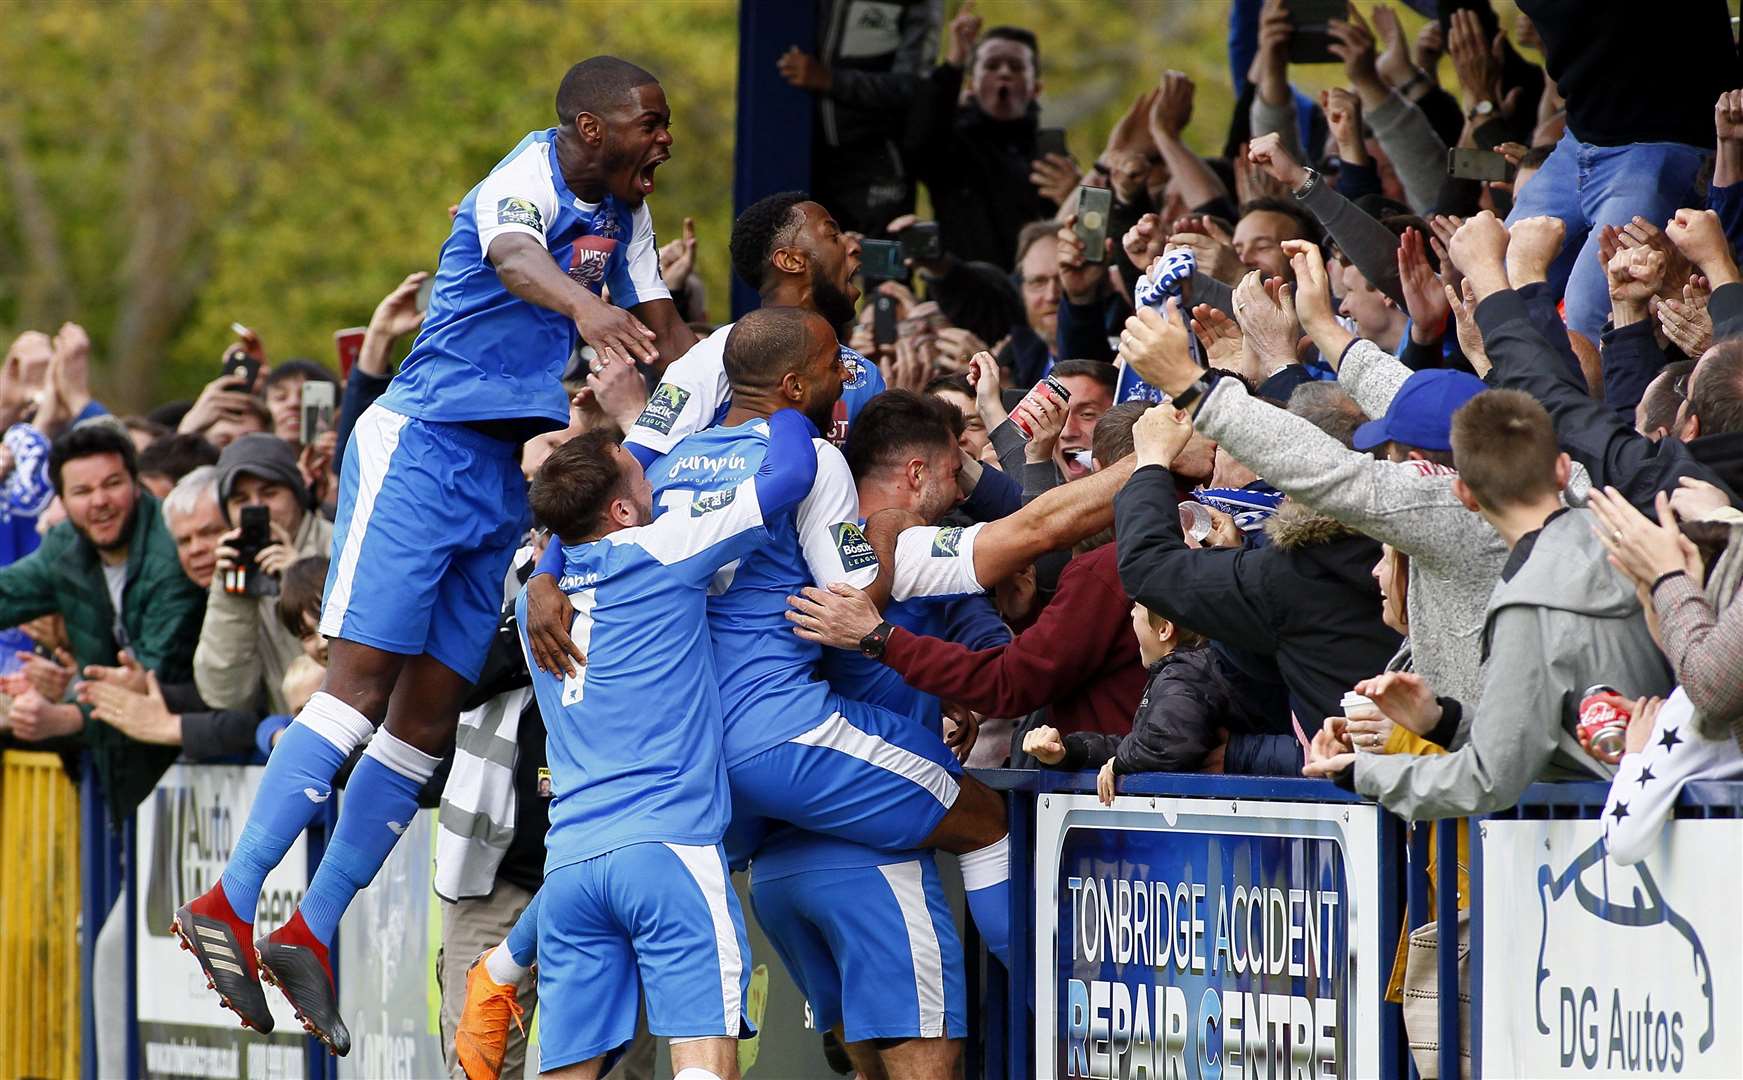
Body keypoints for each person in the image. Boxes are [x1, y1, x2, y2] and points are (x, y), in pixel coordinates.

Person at [175, 56, 693, 1050]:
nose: (664, 142)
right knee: (357, 689)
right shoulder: (524, 179)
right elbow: (512, 258)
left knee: (424, 723)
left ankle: (310, 931)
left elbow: (665, 337)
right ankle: (227, 905)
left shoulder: (623, 223)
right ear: (589, 129)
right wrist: (588, 314)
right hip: (420, 450)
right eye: (651, 124)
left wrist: (738, 379)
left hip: (498, 479)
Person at [505, 403, 818, 1079]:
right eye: (636, 472)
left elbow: (561, 540)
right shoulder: (665, 547)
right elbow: (791, 471)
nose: (650, 473)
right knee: (703, 1058)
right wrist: (790, 403)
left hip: (569, 864)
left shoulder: (533, 597)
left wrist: (548, 566)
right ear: (619, 512)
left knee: (567, 1070)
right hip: (667, 847)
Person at [1306, 390, 1673, 817]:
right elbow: (1555, 737)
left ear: (1464, 494)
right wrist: (1443, 720)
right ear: (1561, 470)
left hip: (1617, 846)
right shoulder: (1638, 542)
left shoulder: (1529, 604)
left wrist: (1362, 773)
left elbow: (1487, 780)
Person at [0, 420, 207, 1080]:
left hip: (198, 775)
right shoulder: (65, 547)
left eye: (113, 483)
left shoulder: (171, 547)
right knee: (121, 961)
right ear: (63, 498)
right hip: (128, 789)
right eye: (82, 490)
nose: (101, 501)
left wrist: (65, 714)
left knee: (128, 960)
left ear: (136, 483)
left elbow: (150, 677)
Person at [192, 434, 334, 714]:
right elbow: (224, 693)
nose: (257, 507)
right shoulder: (233, 573)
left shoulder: (341, 545)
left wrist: (301, 576)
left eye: (269, 493)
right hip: (291, 732)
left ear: (296, 494)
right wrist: (229, 594)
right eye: (240, 499)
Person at [775, 0, 942, 236]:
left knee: (881, 265)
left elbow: (913, 87)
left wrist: (830, 80)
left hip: (879, 162)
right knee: (805, 262)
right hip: (807, 159)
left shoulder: (920, 5)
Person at [904, 14, 1055, 271]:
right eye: (992, 65)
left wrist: (1072, 196)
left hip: (1030, 299)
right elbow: (918, 142)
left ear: (1036, 88)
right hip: (961, 297)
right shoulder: (951, 146)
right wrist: (954, 62)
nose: (1004, 73)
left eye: (1016, 67)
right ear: (971, 84)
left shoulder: (1050, 158)